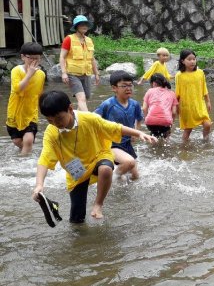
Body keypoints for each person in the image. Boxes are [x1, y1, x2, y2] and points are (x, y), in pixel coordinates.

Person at [32, 91, 157, 223]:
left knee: (106, 168)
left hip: (99, 156)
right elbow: (44, 158)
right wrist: (39, 185)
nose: (55, 123)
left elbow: (115, 128)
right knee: (76, 220)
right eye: (50, 120)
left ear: (69, 109)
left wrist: (138, 133)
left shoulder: (89, 119)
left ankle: (98, 205)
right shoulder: (51, 132)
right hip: (77, 172)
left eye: (59, 118)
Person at [94, 71, 144, 180]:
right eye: (124, 86)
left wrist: (136, 132)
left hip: (126, 144)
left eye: (130, 85)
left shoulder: (134, 104)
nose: (128, 88)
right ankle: (109, 179)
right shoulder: (107, 105)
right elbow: (93, 120)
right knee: (129, 162)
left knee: (135, 177)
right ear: (114, 88)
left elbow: (139, 119)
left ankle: (117, 180)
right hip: (110, 144)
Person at [6, 42, 45, 155]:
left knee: (28, 140)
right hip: (14, 113)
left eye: (36, 59)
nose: (33, 61)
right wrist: (29, 74)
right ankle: (29, 155)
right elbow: (18, 89)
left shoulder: (41, 74)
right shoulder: (16, 71)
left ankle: (25, 164)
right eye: (30, 58)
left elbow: (39, 93)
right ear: (23, 57)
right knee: (17, 141)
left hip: (30, 113)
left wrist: (42, 107)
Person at [59, 14, 100, 111]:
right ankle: (88, 119)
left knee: (86, 97)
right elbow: (62, 56)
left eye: (86, 24)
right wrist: (64, 73)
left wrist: (97, 74)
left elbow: (92, 59)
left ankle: (76, 117)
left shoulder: (89, 40)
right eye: (81, 25)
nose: (84, 26)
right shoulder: (69, 39)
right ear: (76, 27)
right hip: (72, 74)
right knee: (81, 98)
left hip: (86, 74)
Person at [175, 49, 212, 142]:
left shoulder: (200, 73)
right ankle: (184, 147)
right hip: (187, 107)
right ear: (183, 61)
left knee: (208, 124)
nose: (192, 61)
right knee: (188, 130)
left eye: (194, 59)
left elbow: (204, 88)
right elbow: (177, 93)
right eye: (189, 59)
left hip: (200, 104)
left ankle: (205, 140)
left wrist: (208, 101)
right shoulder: (179, 75)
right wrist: (176, 107)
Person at [142, 73, 178, 139]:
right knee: (166, 137)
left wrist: (146, 119)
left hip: (151, 121)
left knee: (153, 136)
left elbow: (144, 108)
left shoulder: (149, 91)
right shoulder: (172, 93)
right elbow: (174, 112)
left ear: (154, 83)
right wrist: (171, 123)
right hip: (166, 122)